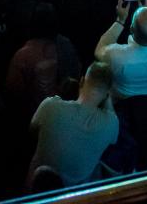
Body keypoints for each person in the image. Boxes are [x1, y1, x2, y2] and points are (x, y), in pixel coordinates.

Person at [95, 0, 147, 171]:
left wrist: (120, 20)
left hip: (122, 103)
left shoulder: (118, 56)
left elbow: (99, 50)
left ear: (131, 29)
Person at [28, 60, 119, 188]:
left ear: (81, 82)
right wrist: (107, 99)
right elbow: (113, 140)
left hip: (36, 188)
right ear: (107, 95)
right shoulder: (112, 123)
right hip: (75, 195)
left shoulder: (50, 106)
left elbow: (32, 130)